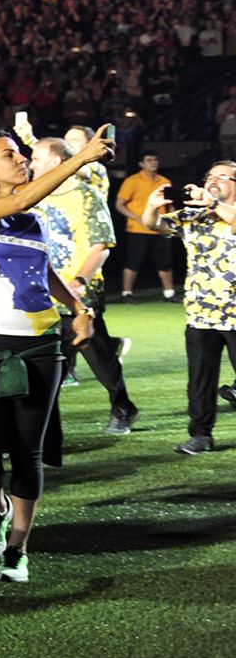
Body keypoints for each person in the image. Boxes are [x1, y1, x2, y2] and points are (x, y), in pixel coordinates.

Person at [0, 127, 111, 583]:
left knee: (28, 451)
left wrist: (79, 308)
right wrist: (79, 159)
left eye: (21, 153)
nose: (21, 158)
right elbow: (17, 202)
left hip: (41, 344)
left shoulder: (33, 217)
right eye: (9, 154)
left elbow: (45, 270)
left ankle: (17, 549)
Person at [30, 137, 137, 434]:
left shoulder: (87, 195)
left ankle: (123, 407)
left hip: (80, 295)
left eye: (36, 157)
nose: (30, 162)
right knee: (46, 361)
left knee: (98, 356)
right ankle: (39, 423)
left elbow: (102, 245)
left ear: (55, 161)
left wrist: (79, 281)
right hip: (44, 293)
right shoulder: (32, 195)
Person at [141, 161, 236, 456]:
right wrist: (152, 206)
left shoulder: (227, 213)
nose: (213, 180)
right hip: (200, 312)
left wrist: (216, 203)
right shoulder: (193, 216)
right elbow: (153, 225)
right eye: (209, 176)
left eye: (222, 176)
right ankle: (200, 434)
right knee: (200, 378)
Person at [116, 151, 176, 301]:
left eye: (155, 159)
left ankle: (169, 293)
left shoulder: (164, 181)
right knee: (133, 261)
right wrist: (136, 218)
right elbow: (119, 204)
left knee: (165, 262)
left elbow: (170, 205)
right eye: (149, 160)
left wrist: (174, 221)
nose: (153, 162)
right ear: (141, 164)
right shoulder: (132, 181)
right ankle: (127, 293)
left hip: (160, 228)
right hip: (137, 229)